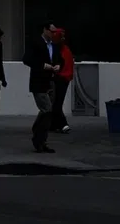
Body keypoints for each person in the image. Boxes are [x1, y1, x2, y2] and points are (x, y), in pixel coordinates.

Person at [21, 23, 60, 153]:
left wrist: (58, 65)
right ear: (45, 30)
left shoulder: (53, 45)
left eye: (54, 32)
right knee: (46, 110)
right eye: (51, 31)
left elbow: (59, 59)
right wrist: (43, 66)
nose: (53, 34)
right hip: (39, 82)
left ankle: (42, 139)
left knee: (47, 111)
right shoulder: (36, 42)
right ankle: (39, 137)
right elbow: (27, 59)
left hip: (50, 81)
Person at [50, 27, 75, 134]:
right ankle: (55, 124)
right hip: (63, 78)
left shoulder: (60, 50)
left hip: (61, 78)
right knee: (56, 102)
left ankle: (63, 124)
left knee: (56, 103)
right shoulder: (65, 50)